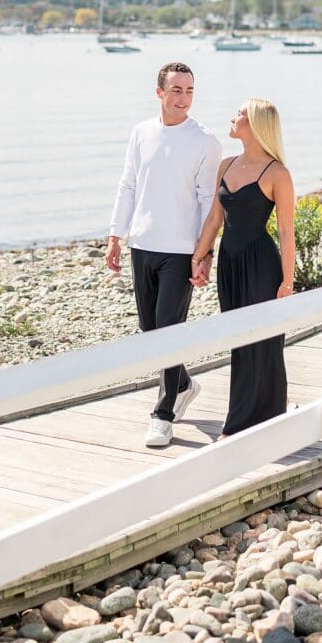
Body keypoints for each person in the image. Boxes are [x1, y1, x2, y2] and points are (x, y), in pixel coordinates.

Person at [106, 62, 222, 447]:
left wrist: (204, 254)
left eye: (189, 91)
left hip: (180, 251)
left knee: (169, 333)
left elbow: (209, 201)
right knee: (150, 332)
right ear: (159, 92)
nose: (183, 99)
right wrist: (115, 235)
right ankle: (184, 383)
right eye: (176, 90)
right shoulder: (141, 133)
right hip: (142, 245)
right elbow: (128, 185)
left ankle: (164, 413)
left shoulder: (205, 141)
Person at [190, 98, 295, 436]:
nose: (232, 118)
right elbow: (214, 219)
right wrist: (198, 258)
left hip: (262, 265)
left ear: (256, 125)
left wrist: (288, 281)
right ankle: (255, 416)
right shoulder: (227, 165)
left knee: (264, 342)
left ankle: (243, 423)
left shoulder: (277, 173)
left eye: (240, 114)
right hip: (230, 265)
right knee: (239, 340)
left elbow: (285, 231)